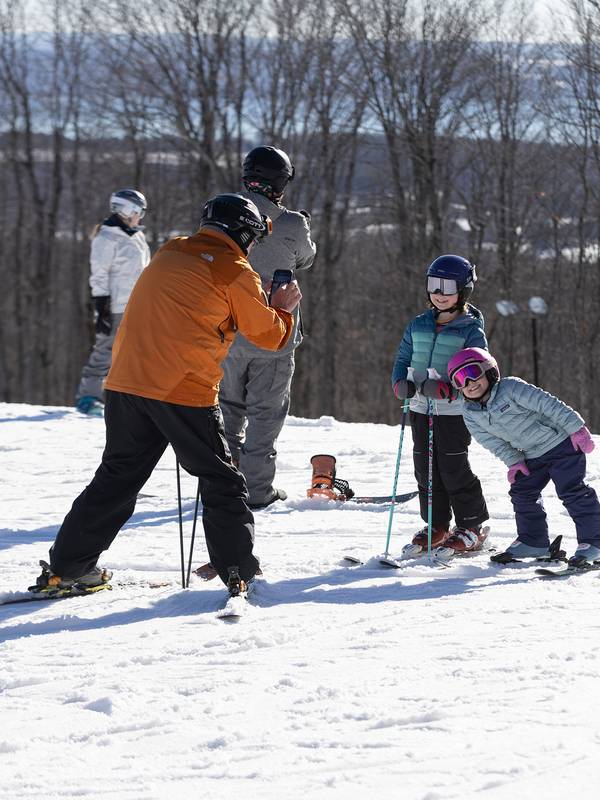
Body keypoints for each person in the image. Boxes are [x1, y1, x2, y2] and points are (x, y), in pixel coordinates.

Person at [32, 193, 301, 598]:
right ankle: (238, 570)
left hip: (125, 383)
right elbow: (269, 336)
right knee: (222, 480)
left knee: (116, 479)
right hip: (182, 390)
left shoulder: (171, 249)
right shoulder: (235, 269)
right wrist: (281, 307)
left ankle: (67, 568)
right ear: (244, 234)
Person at [219, 145, 316, 510]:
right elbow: (305, 258)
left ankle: (221, 485)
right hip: (275, 334)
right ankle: (257, 490)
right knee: (265, 413)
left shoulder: (224, 211)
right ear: (280, 181)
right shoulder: (292, 222)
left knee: (226, 410)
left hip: (228, 330)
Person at [447, 347, 600, 565]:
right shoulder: (470, 414)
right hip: (532, 456)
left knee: (572, 491)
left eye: (473, 373)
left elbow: (548, 404)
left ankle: (594, 542)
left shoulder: (511, 388)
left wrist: (576, 428)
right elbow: (492, 442)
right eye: (460, 379)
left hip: (562, 445)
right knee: (522, 491)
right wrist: (514, 462)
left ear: (489, 371)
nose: (470, 383)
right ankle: (533, 541)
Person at [391, 255, 489, 554]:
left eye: (447, 287)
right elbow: (402, 359)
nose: (440, 293)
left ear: (463, 290)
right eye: (434, 285)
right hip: (420, 407)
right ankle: (437, 524)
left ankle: (470, 526)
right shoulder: (418, 324)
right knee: (425, 468)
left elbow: (480, 369)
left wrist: (450, 389)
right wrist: (400, 383)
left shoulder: (470, 329)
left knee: (452, 467)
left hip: (453, 411)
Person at [75, 188, 151, 417]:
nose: (141, 217)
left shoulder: (136, 236)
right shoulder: (106, 237)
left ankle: (132, 400)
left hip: (138, 304)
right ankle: (88, 397)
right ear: (129, 209)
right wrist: (102, 307)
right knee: (106, 349)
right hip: (115, 306)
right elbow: (98, 275)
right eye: (140, 212)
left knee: (138, 352)